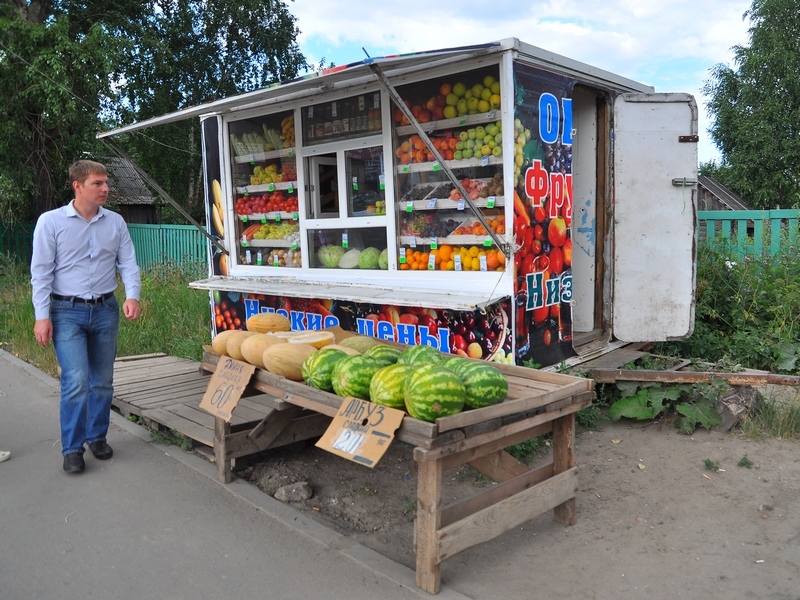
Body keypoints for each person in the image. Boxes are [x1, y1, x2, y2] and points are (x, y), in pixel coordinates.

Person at [31, 160, 141, 474]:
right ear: (78, 186)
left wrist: (132, 295)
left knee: (103, 383)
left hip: (105, 310)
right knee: (76, 380)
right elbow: (40, 274)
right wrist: (42, 317)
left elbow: (128, 263)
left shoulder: (115, 222)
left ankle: (97, 436)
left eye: (106, 183)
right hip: (66, 312)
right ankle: (72, 449)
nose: (105, 188)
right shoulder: (51, 223)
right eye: (98, 183)